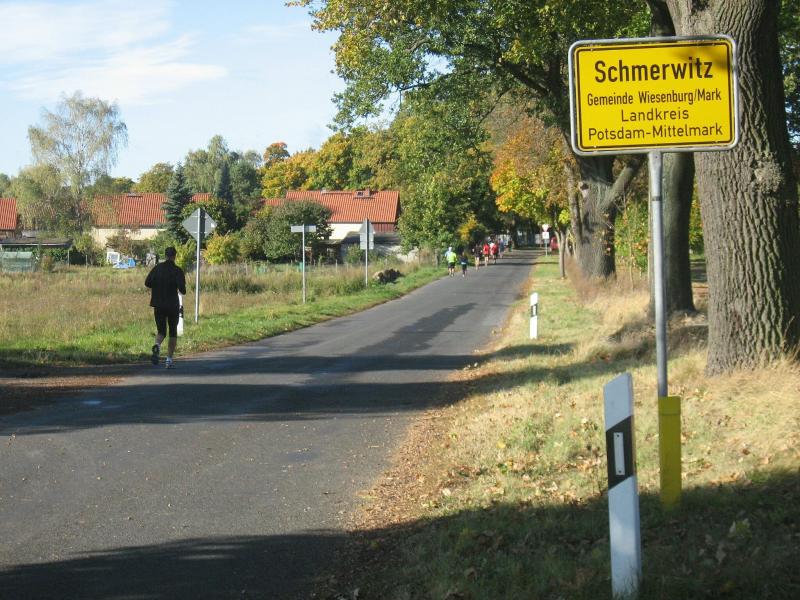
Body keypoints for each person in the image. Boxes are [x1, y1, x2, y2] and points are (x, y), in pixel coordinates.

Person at [145, 246, 186, 368]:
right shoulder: (177, 270)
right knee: (173, 331)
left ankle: (157, 345)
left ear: (165, 255)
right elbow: (183, 290)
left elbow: (147, 282)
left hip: (158, 304)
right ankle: (168, 360)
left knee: (161, 331)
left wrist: (158, 285)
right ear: (175, 256)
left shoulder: (157, 268)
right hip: (172, 305)